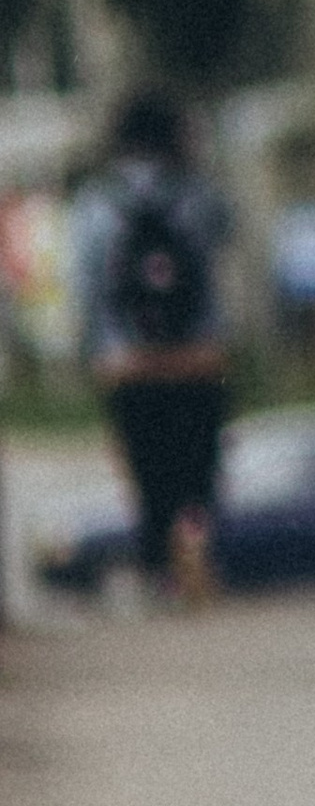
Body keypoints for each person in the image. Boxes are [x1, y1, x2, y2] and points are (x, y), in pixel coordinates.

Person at [70, 91, 232, 602]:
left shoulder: (95, 202)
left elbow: (87, 287)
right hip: (197, 359)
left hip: (128, 364)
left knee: (148, 474)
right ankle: (195, 538)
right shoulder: (199, 195)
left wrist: (97, 352)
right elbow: (223, 256)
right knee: (196, 468)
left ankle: (162, 572)